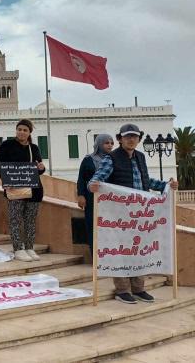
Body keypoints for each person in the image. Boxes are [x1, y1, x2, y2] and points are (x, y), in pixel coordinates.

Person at [88, 124, 178, 304]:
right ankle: (122, 290)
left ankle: (138, 288)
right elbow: (97, 179)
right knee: (121, 252)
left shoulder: (141, 157)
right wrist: (93, 185)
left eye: (134, 137)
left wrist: (166, 186)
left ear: (139, 139)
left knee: (139, 250)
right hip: (120, 216)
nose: (131, 139)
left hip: (141, 215)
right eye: (127, 136)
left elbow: (145, 180)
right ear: (120, 139)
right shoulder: (111, 158)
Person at [0, 119, 45, 262]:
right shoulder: (7, 145)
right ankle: (18, 249)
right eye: (19, 129)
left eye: (25, 130)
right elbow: (0, 165)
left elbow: (38, 169)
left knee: (30, 221)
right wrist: (6, 181)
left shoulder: (34, 148)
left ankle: (29, 247)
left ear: (29, 132)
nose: (22, 132)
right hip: (14, 190)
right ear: (16, 130)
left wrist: (41, 168)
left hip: (34, 190)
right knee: (15, 220)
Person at [76, 134, 114, 249]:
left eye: (112, 143)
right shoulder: (88, 159)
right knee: (93, 226)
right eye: (106, 143)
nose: (110, 145)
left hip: (109, 199)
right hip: (91, 198)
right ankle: (95, 255)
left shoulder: (114, 159)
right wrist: (81, 195)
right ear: (99, 144)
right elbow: (81, 179)